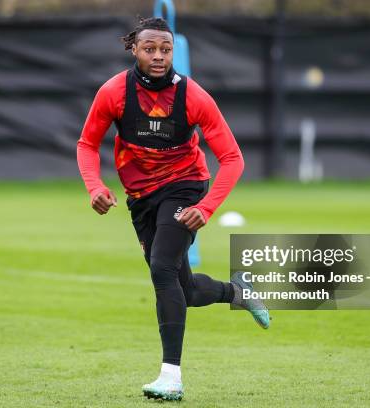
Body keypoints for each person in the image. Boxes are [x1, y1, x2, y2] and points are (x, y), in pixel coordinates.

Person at [76, 16, 270, 401]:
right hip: (141, 198)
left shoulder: (193, 96)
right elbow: (86, 144)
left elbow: (232, 158)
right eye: (150, 49)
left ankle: (171, 376)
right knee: (185, 288)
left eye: (165, 49)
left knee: (162, 269)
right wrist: (95, 186)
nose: (159, 56)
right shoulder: (114, 92)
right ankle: (238, 292)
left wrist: (208, 206)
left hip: (184, 188)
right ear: (134, 49)